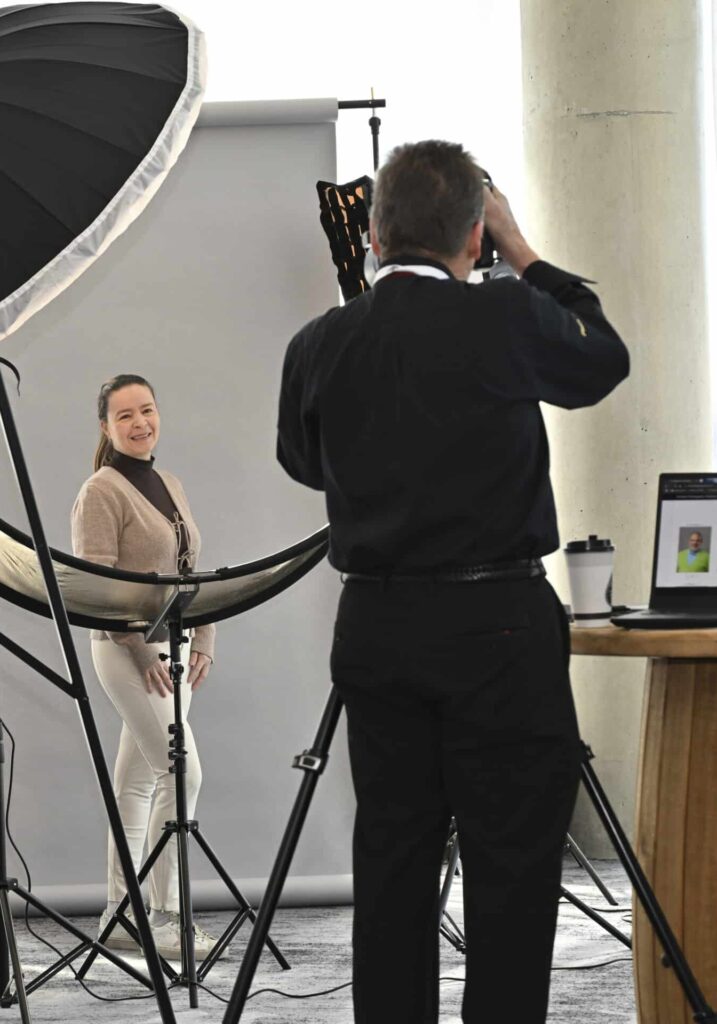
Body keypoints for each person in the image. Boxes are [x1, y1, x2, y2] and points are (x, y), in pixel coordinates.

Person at [276, 141, 629, 1023]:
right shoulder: (507, 315)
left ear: (373, 237)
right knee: (510, 862)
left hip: (376, 624)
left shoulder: (319, 342)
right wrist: (527, 254)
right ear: (475, 234)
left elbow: (301, 460)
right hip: (497, 625)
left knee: (391, 858)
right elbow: (602, 360)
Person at [72, 373, 217, 960]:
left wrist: (204, 636)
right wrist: (139, 650)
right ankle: (164, 916)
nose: (140, 423)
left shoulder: (168, 481)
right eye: (125, 415)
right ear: (106, 427)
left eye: (147, 410)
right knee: (183, 774)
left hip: (174, 650)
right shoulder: (100, 491)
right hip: (126, 649)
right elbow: (97, 588)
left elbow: (190, 570)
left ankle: (119, 909)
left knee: (138, 782)